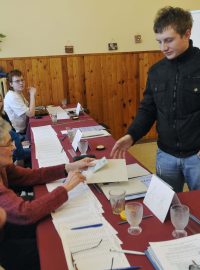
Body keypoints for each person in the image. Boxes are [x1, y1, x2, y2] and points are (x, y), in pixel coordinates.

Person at [111, 6, 200, 192]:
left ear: (187, 33)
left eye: (169, 40)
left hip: (197, 157)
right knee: (166, 210)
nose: (163, 48)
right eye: (159, 41)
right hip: (165, 155)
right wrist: (131, 135)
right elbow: (148, 109)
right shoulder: (156, 71)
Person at [0, 116, 94, 269]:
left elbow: (30, 175)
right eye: (8, 144)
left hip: (10, 226)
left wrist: (69, 167)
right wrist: (66, 187)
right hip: (5, 244)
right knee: (58, 249)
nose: (14, 147)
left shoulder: (3, 165)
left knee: (59, 225)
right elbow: (24, 213)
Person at [0, 93, 30, 167]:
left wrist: (20, 142)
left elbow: (12, 131)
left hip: (14, 148)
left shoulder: (3, 114)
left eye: (0, 101)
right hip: (8, 156)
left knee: (34, 152)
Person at [4, 69, 36, 136]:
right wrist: (32, 95)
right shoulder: (12, 96)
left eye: (22, 80)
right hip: (19, 134)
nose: (21, 83)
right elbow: (31, 114)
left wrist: (30, 96)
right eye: (17, 81)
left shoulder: (18, 92)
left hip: (26, 127)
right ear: (11, 84)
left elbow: (28, 109)